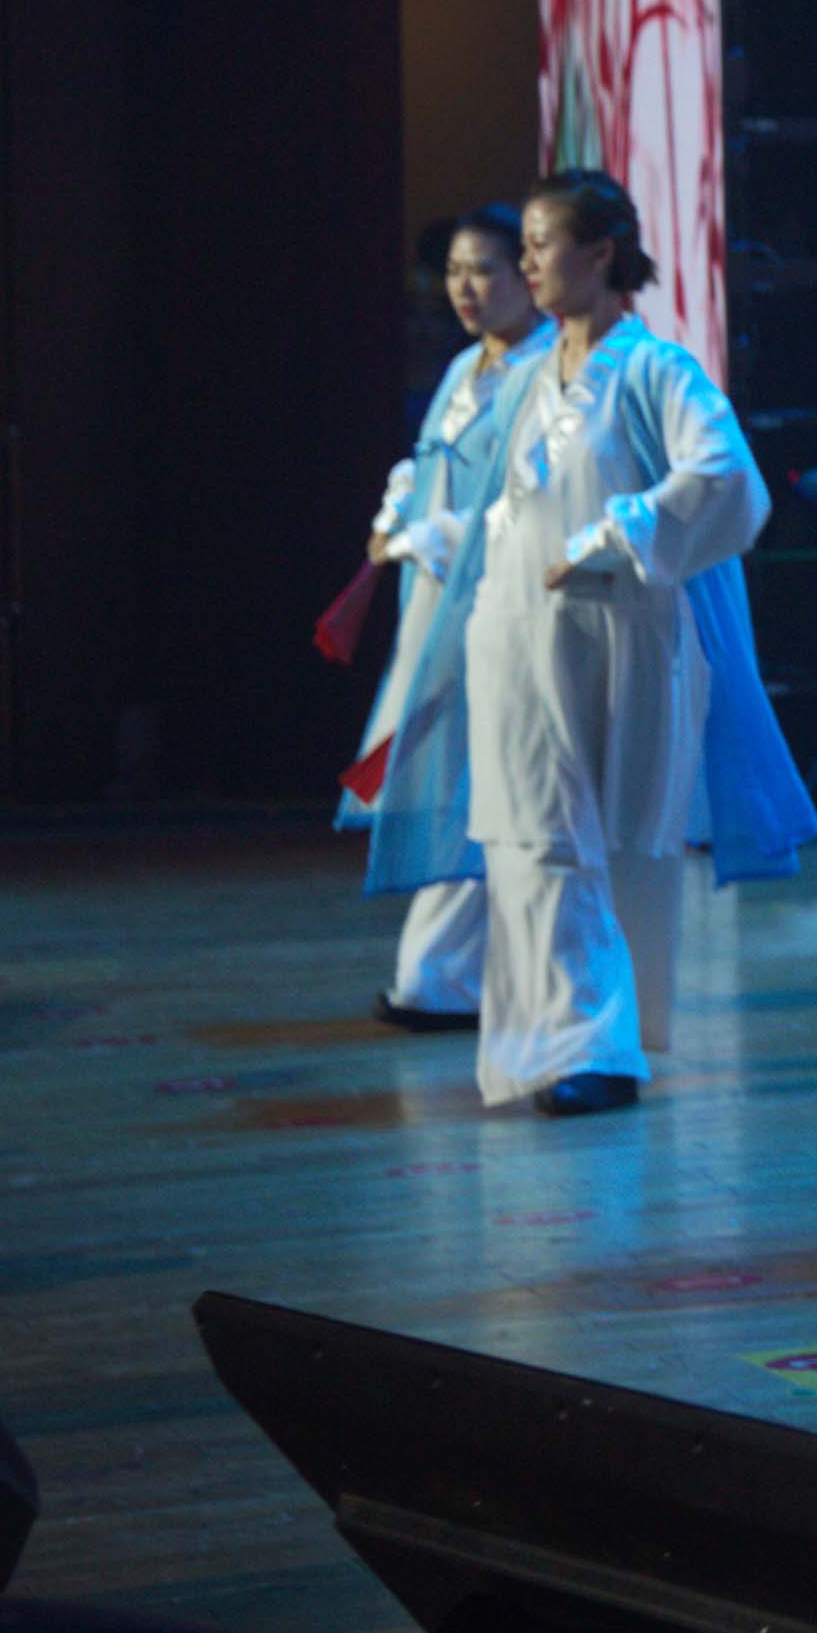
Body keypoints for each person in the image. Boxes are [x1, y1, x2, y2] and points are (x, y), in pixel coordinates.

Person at [455, 173, 816, 1115]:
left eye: (542, 244)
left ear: (601, 252)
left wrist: (614, 536)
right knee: (532, 837)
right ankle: (569, 1041)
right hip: (517, 637)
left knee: (612, 842)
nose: (527, 263)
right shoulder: (531, 375)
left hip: (615, 634)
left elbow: (728, 480)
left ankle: (601, 1042)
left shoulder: (656, 369)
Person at [347, 204, 548, 1030]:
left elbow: (532, 501)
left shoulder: (544, 372)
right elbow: (430, 466)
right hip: (436, 602)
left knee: (474, 781)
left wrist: (438, 534)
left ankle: (441, 977)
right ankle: (448, 976)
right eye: (456, 271)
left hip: (499, 601)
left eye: (485, 270)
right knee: (446, 775)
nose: (466, 288)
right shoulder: (468, 368)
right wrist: (400, 514)